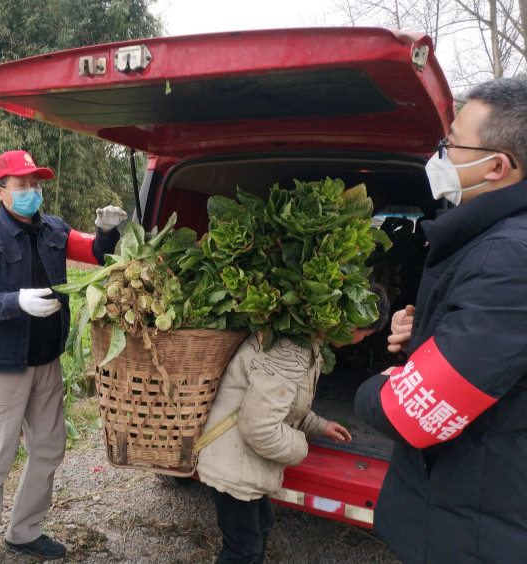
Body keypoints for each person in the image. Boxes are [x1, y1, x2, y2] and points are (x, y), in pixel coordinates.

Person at [355, 77, 527, 564]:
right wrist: (428, 339)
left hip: (474, 529)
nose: (441, 153)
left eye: (452, 143)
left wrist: (380, 386)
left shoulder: (509, 257)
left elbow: (415, 412)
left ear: (496, 167)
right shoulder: (492, 239)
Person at [0, 150, 127, 564]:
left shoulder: (53, 229)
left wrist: (106, 233)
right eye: (23, 185)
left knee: (49, 448)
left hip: (47, 362)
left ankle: (24, 532)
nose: (33, 191)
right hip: (2, 366)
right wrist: (16, 301)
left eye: (37, 184)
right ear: (1, 193)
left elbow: (97, 255)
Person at [195, 282, 388, 564]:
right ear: (353, 321)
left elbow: (283, 406)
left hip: (243, 462)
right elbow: (259, 428)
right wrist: (301, 448)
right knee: (243, 551)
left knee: (261, 527)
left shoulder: (303, 342)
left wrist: (319, 426)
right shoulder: (288, 352)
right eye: (366, 334)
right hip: (232, 464)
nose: (362, 340)